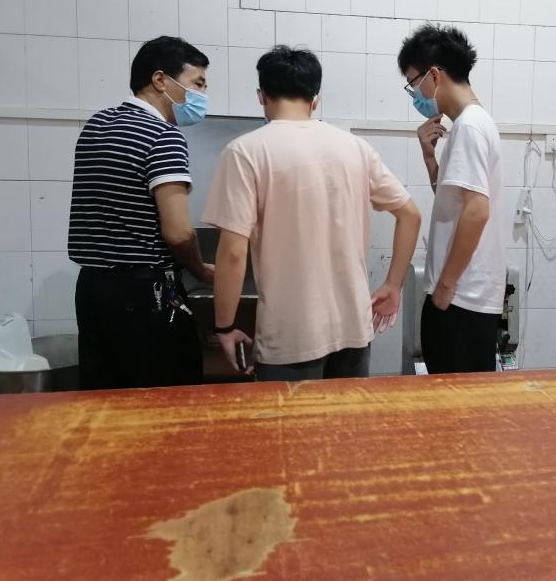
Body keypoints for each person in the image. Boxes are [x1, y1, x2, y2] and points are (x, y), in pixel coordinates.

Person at [203, 45, 421, 381]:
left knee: (290, 418)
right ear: (315, 100)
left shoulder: (245, 152)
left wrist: (225, 326)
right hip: (353, 328)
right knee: (344, 416)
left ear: (262, 96)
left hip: (290, 337)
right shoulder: (355, 148)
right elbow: (410, 214)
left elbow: (233, 253)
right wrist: (393, 285)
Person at [69, 36, 214, 390]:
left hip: (92, 289)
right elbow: (178, 232)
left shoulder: (97, 125)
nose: (201, 95)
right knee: (165, 397)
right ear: (160, 79)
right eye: (197, 84)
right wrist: (201, 270)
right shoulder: (164, 137)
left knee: (105, 396)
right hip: (145, 293)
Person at [399, 24, 505, 374]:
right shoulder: (473, 123)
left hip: (461, 298)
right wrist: (430, 158)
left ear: (434, 75)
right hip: (465, 297)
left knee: (455, 402)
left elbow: (477, 211)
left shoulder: (469, 127)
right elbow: (456, 204)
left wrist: (445, 286)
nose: (415, 95)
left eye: (413, 84)